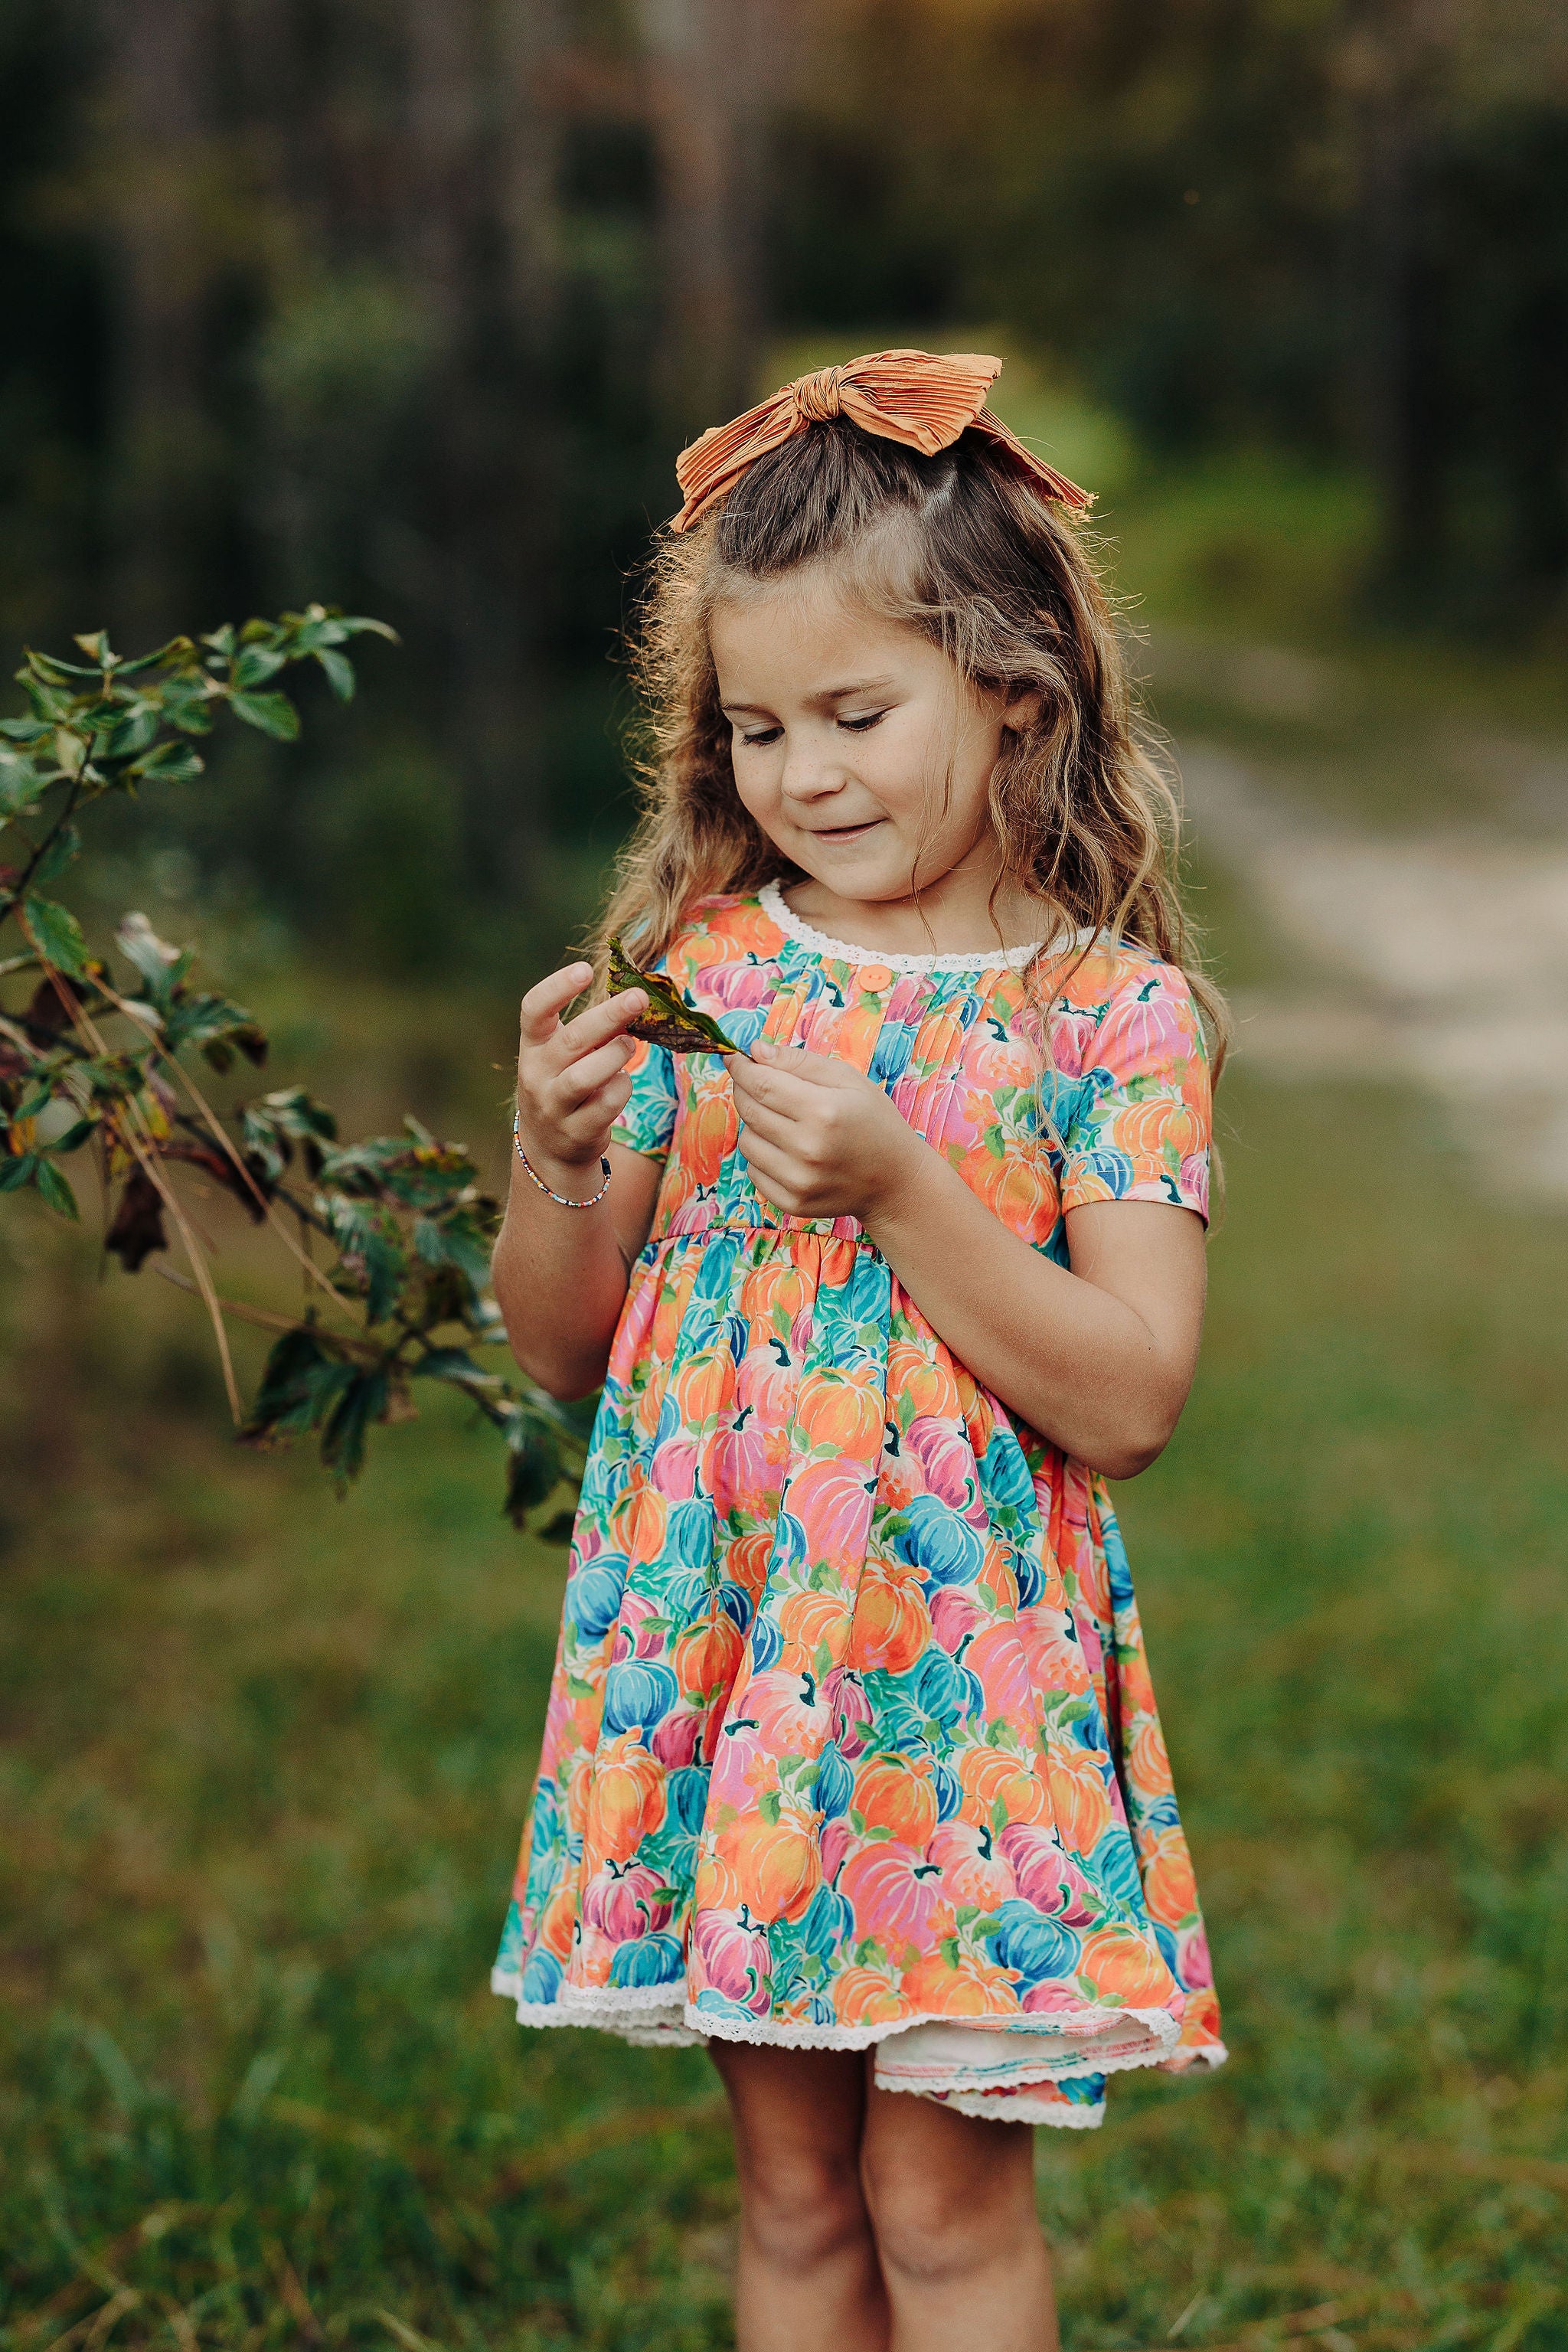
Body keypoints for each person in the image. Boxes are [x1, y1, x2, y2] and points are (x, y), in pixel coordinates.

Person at [490, 350, 1227, 2352]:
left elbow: (1130, 1394)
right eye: (752, 728)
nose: (800, 775)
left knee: (942, 2196)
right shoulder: (712, 974)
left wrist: (909, 1185)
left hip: (955, 1713)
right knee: (798, 2192)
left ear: (1016, 691)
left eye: (852, 713)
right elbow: (561, 1346)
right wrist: (555, 1154)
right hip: (730, 1671)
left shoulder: (1109, 1020)